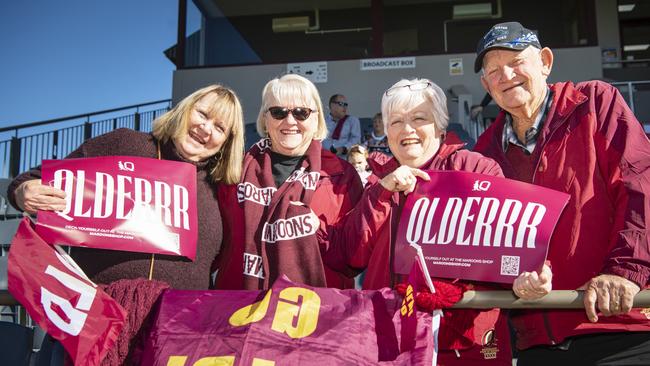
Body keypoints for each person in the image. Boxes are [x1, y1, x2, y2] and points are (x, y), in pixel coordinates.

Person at [8, 84, 245, 363]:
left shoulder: (222, 188)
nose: (206, 129)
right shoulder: (125, 143)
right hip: (97, 322)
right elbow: (31, 180)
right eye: (202, 114)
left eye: (220, 128)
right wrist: (24, 191)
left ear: (228, 141)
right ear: (184, 110)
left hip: (177, 335)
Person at [473, 21, 650, 365]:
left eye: (516, 61)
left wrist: (624, 271)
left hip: (617, 329)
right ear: (486, 85)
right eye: (493, 70)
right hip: (536, 341)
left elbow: (640, 184)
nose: (506, 74)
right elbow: (488, 244)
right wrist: (513, 281)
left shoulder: (595, 103)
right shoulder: (483, 154)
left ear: (545, 61)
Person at [338, 78, 512, 365]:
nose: (407, 130)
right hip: (388, 340)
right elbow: (352, 255)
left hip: (463, 341)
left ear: (441, 127)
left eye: (419, 118)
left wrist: (462, 290)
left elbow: (506, 251)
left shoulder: (476, 170)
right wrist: (382, 192)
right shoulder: (374, 182)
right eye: (395, 121)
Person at [213, 74, 362, 290]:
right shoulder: (233, 171)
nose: (290, 121)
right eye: (278, 112)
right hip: (240, 311)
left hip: (319, 315)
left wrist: (318, 229)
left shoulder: (343, 176)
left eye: (301, 112)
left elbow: (355, 255)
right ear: (265, 119)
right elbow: (211, 245)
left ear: (316, 119)